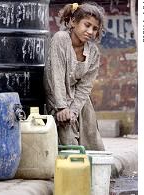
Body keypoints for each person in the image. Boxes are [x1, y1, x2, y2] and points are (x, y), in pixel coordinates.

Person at [44, 2, 105, 150]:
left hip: (79, 101)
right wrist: (62, 108)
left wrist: (73, 111)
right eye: (87, 25)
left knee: (92, 140)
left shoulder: (94, 52)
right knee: (69, 142)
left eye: (95, 28)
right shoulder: (60, 39)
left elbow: (85, 87)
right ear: (73, 22)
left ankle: (93, 170)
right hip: (56, 97)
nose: (90, 31)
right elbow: (56, 77)